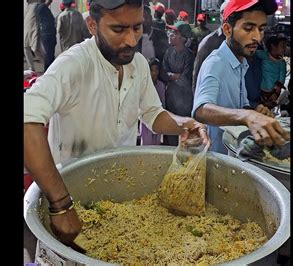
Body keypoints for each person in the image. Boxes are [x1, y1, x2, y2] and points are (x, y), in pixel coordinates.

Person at [24, 0, 209, 249]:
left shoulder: (139, 65)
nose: (131, 40)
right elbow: (27, 120)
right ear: (92, 25)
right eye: (118, 30)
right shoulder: (74, 64)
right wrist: (60, 205)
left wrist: (183, 123)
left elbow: (153, 114)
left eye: (137, 28)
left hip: (119, 198)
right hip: (72, 200)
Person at [192, 0, 289, 155]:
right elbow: (200, 110)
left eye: (261, 29)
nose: (257, 37)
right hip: (218, 156)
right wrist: (246, 116)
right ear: (227, 29)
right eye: (248, 28)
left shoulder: (241, 62)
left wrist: (255, 111)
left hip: (235, 154)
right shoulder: (216, 63)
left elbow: (240, 105)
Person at [160, 23, 195, 146]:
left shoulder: (189, 56)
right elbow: (163, 74)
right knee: (169, 126)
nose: (170, 35)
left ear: (183, 38)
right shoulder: (169, 52)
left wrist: (172, 76)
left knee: (183, 129)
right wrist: (175, 75)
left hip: (184, 99)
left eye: (175, 33)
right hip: (170, 96)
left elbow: (185, 79)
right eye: (171, 32)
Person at [140, 58, 166, 145]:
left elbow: (163, 105)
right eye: (151, 70)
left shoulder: (161, 86)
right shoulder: (143, 85)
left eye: (156, 70)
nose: (154, 73)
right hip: (146, 121)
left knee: (156, 146)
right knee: (146, 147)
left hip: (158, 119)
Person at [35, 0, 57, 71]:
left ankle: (51, 70)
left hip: (46, 34)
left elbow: (46, 4)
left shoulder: (38, 7)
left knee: (49, 54)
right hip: (48, 34)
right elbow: (45, 4)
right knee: (49, 55)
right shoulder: (41, 7)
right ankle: (47, 71)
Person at [24, 0, 41, 71]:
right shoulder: (27, 6)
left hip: (34, 30)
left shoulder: (37, 5)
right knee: (26, 48)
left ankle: (48, 65)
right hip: (26, 30)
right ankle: (31, 68)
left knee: (36, 49)